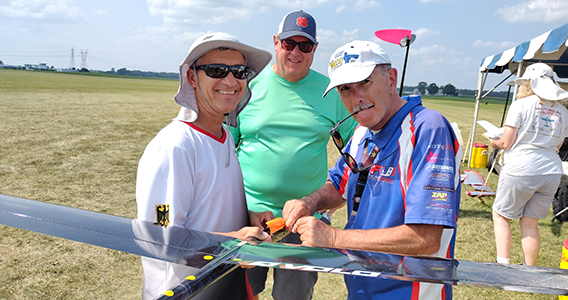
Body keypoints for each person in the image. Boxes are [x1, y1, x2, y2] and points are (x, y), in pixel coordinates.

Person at [282, 40, 462, 300]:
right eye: (345, 89)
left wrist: (332, 238)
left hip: (409, 292)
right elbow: (339, 184)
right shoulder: (362, 133)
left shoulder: (427, 128)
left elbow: (426, 238)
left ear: (391, 79)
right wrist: (309, 202)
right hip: (362, 286)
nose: (357, 98)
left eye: (364, 82)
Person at [135, 32, 274, 300]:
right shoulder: (175, 146)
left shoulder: (222, 136)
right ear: (191, 77)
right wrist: (232, 242)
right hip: (184, 292)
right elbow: (161, 237)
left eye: (240, 71)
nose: (231, 80)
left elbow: (208, 208)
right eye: (216, 70)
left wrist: (248, 218)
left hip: (225, 284)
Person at [230, 10, 356, 300]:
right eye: (289, 43)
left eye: (305, 46)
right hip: (247, 216)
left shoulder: (331, 93)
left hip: (304, 220)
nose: (296, 52)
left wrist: (331, 197)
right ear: (276, 43)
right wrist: (241, 207)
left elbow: (355, 150)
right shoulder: (247, 87)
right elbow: (226, 150)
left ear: (314, 49)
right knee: (240, 291)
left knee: (293, 297)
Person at [490, 63, 568, 266]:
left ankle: (503, 265)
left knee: (501, 216)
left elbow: (506, 142)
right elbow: (559, 144)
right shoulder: (563, 110)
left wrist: (494, 142)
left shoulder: (521, 105)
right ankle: (529, 269)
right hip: (551, 170)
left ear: (528, 83)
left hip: (522, 167)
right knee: (530, 223)